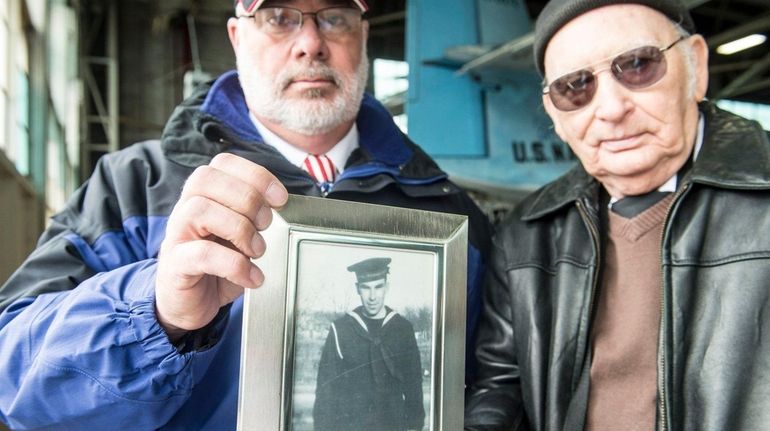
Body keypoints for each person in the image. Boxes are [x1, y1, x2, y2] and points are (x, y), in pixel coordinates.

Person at [0, 0, 493, 429]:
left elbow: (490, 386)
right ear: (238, 37)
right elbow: (12, 379)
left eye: (336, 18)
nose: (311, 44)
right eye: (279, 18)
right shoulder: (134, 187)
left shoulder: (450, 217)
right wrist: (156, 311)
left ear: (362, 35)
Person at [464, 0, 770, 430]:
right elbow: (502, 386)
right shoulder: (525, 233)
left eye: (639, 65)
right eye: (574, 87)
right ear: (554, 114)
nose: (610, 108)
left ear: (697, 67)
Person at [313, 257, 424, 431]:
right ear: (358, 289)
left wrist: (415, 426)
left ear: (386, 287)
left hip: (393, 424)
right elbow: (325, 392)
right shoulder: (341, 330)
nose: (372, 296)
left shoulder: (403, 329)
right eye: (366, 288)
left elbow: (414, 386)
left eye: (378, 287)